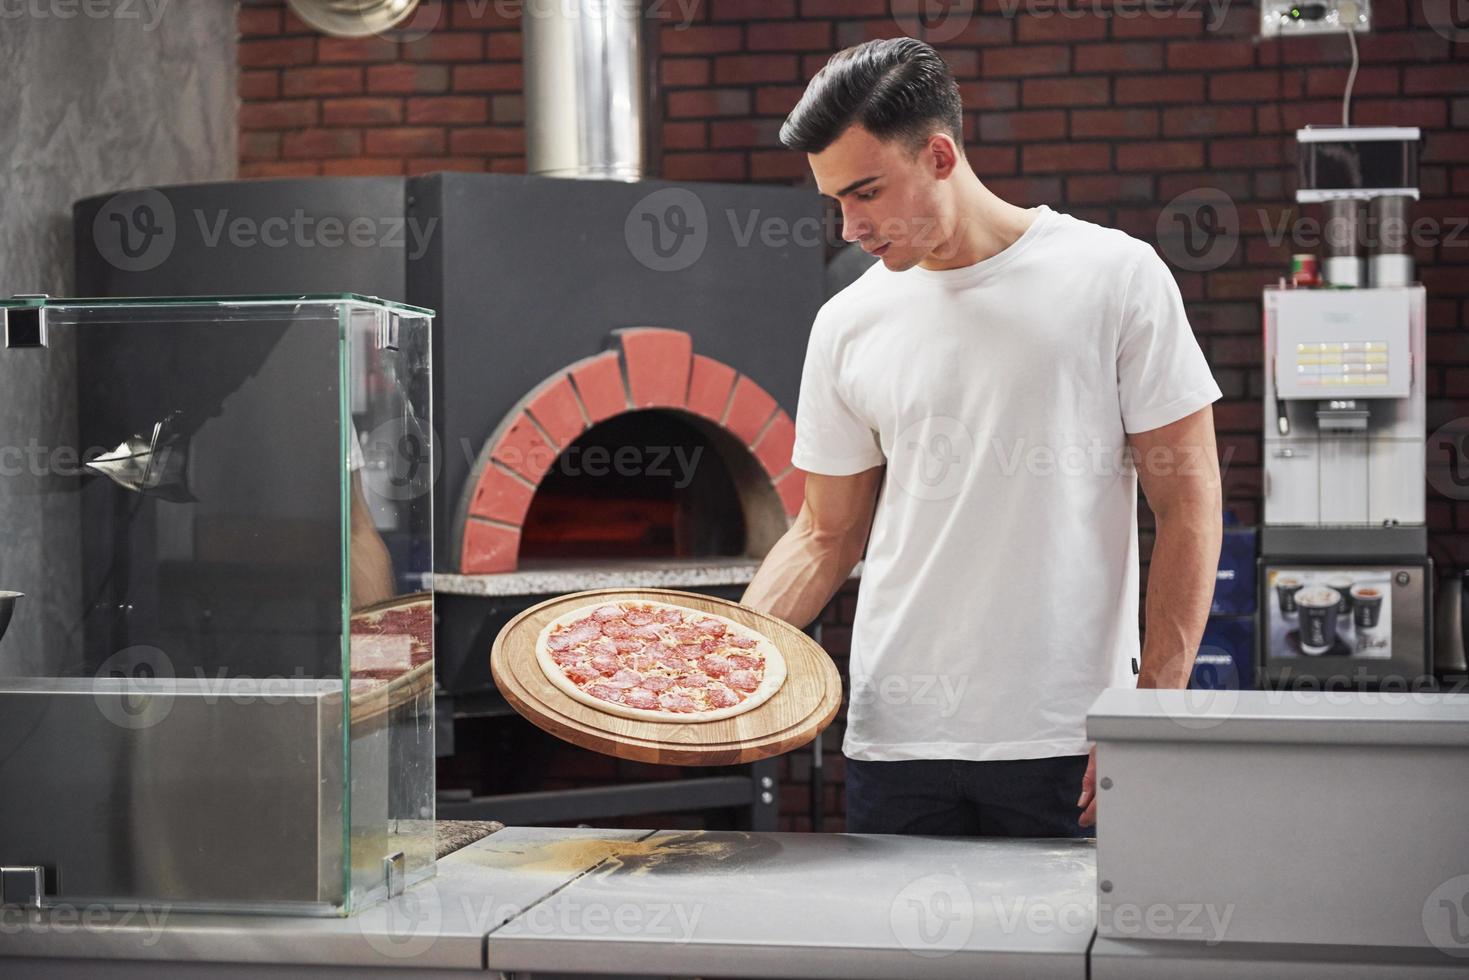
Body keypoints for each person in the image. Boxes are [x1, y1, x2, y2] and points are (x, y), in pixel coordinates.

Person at [740, 38, 1224, 837]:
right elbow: (824, 534)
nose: (850, 225)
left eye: (866, 192)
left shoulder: (1114, 276)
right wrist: (726, 665)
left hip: (1068, 736)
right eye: (835, 202)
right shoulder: (848, 321)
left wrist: (1154, 709)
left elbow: (1190, 501)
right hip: (895, 744)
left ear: (938, 155)